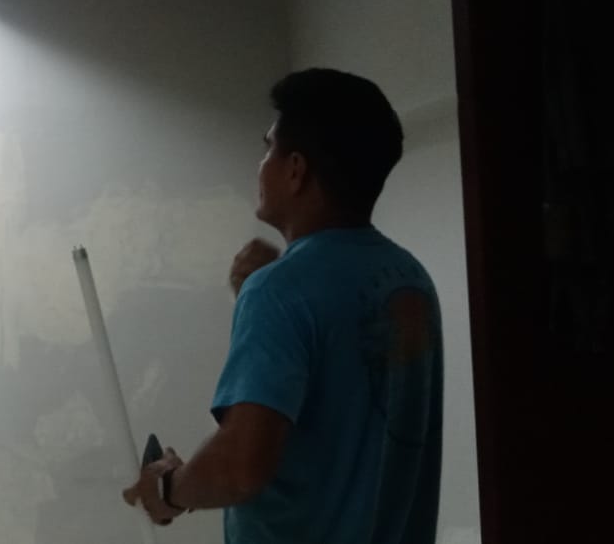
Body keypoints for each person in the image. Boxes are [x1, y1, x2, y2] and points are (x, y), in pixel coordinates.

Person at [124, 68, 443, 544]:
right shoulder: (409, 279)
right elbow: (347, 406)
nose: (261, 165)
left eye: (268, 148)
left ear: (296, 170)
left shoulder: (279, 290)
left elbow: (240, 467)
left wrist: (167, 489)